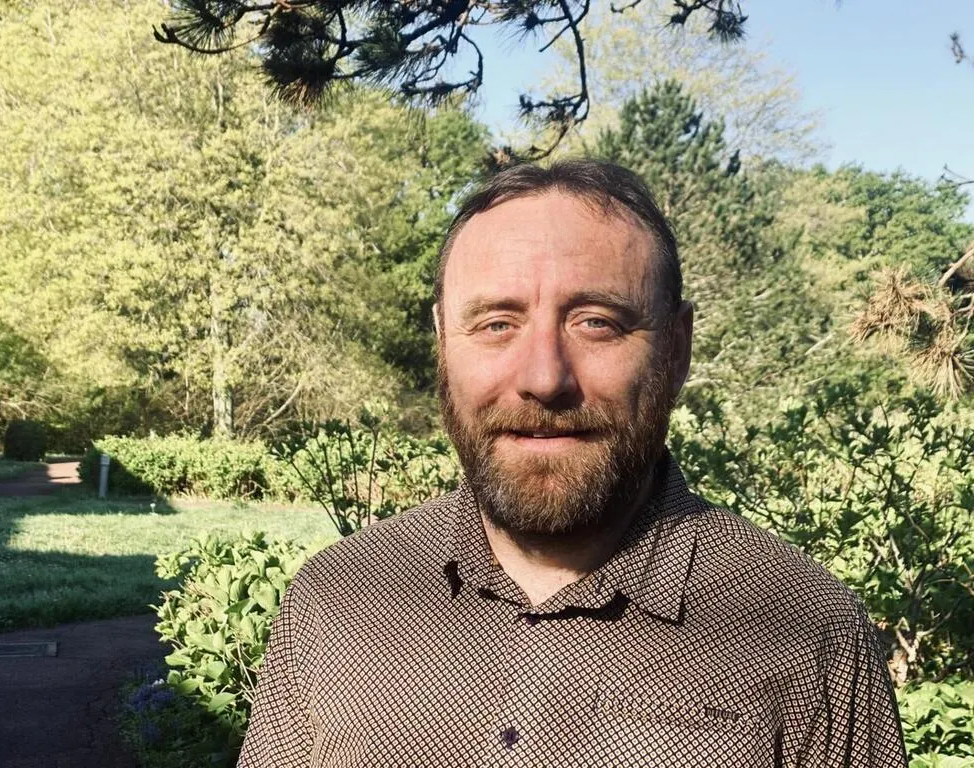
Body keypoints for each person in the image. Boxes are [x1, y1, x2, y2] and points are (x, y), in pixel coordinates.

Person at [237, 159, 907, 767]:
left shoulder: (807, 629)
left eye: (596, 322)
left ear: (676, 350)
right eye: (496, 324)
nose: (543, 378)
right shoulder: (334, 597)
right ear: (443, 344)